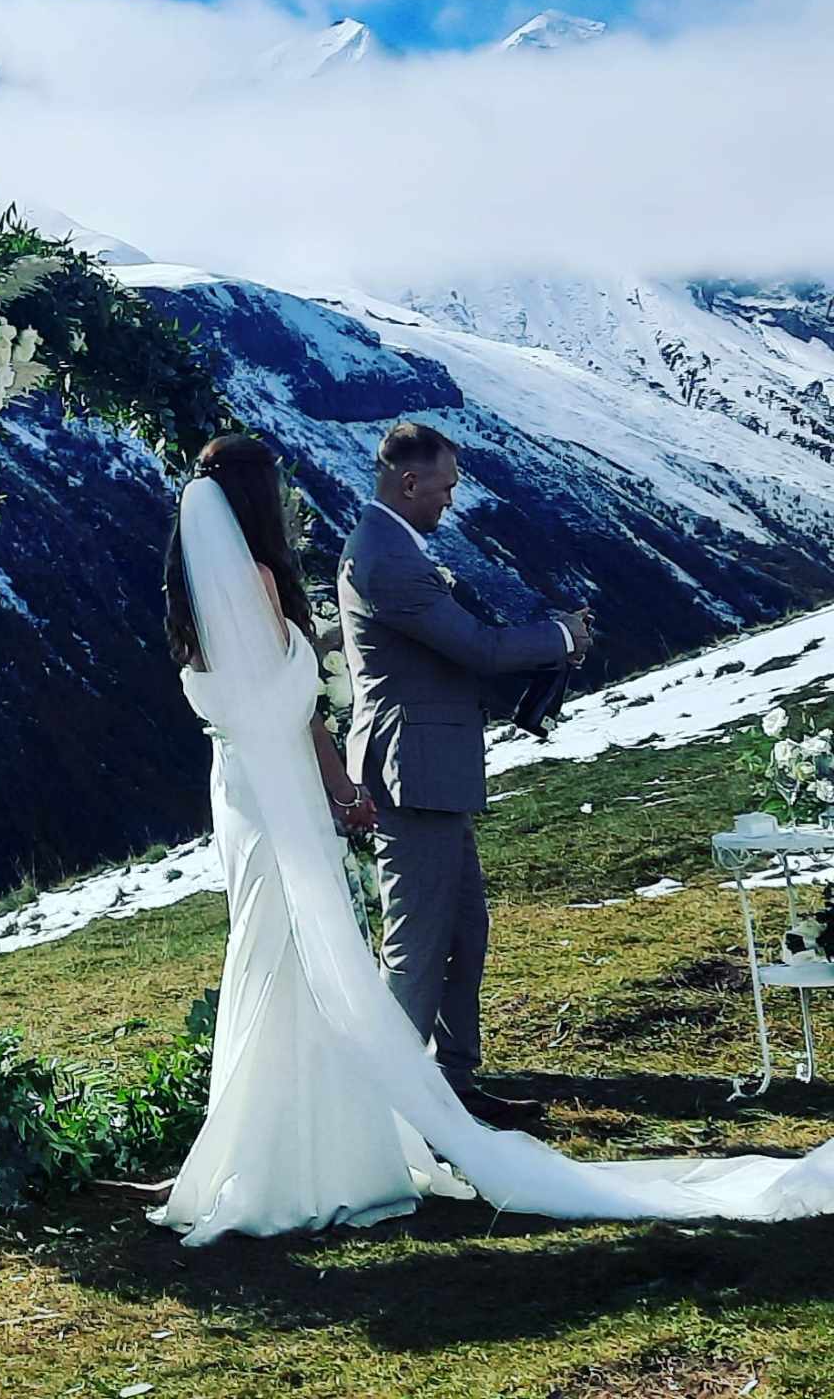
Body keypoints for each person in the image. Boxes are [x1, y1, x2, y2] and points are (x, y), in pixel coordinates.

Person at [153, 432, 834, 1243]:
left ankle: (294, 1131)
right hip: (286, 797)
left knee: (278, 954)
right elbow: (303, 703)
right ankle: (350, 1125)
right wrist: (337, 782)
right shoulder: (270, 579)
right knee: (319, 952)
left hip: (246, 793)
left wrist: (333, 775)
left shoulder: (194, 594)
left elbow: (267, 704)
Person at [338, 422, 592, 1129]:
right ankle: (386, 1106)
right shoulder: (386, 557)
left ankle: (452, 1084)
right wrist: (561, 637)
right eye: (445, 486)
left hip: (433, 769)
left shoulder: (392, 547)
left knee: (462, 933)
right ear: (409, 482)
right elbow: (474, 647)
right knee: (418, 944)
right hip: (413, 769)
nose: (452, 500)